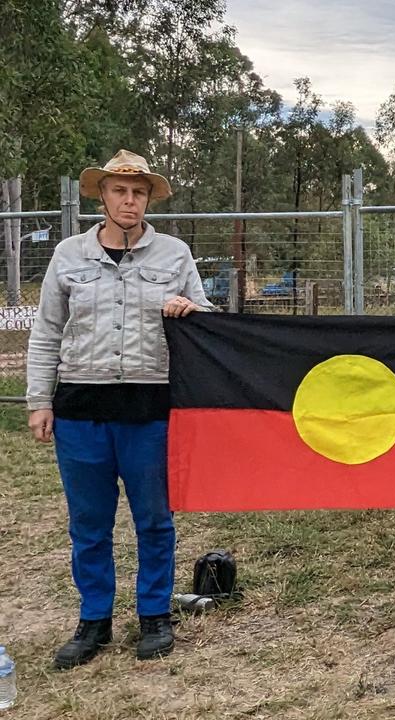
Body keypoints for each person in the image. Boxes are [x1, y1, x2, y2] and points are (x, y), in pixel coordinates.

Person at [26, 150, 213, 669]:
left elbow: (208, 321)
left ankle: (154, 613)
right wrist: (40, 400)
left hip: (149, 407)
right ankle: (94, 620)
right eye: (118, 191)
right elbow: (46, 333)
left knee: (154, 518)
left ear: (148, 198)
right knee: (89, 523)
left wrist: (191, 310)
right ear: (102, 196)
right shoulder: (68, 255)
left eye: (138, 192)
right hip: (80, 408)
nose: (129, 201)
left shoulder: (174, 254)